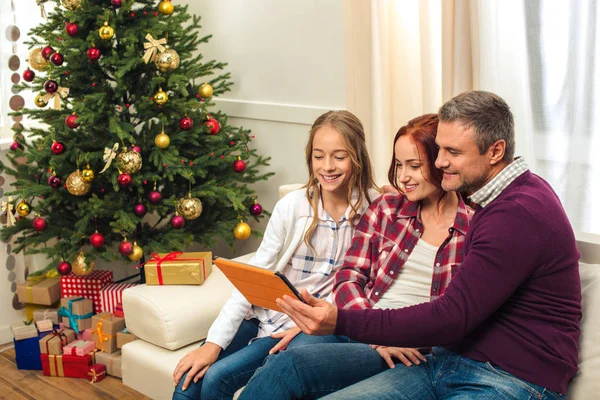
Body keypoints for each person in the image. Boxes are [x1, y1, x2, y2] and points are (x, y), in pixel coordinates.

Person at [242, 91, 581, 400]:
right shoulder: (493, 200)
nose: (440, 162)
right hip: (447, 362)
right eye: (439, 150)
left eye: (453, 152)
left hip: (510, 380)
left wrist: (341, 321)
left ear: (496, 151)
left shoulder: (517, 213)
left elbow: (452, 316)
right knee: (294, 367)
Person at [239, 113, 474, 399]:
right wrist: (376, 332)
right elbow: (349, 276)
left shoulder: (475, 228)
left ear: (441, 163)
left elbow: (457, 316)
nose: (402, 177)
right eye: (399, 165)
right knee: (286, 364)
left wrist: (394, 337)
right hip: (361, 328)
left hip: (412, 349)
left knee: (295, 367)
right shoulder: (387, 209)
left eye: (414, 166)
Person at [172, 110, 378, 399]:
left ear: (357, 156)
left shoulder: (376, 210)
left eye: (339, 156)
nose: (327, 166)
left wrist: (306, 325)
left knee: (223, 378)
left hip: (315, 325)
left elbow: (366, 282)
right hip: (268, 316)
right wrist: (212, 343)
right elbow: (254, 278)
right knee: (191, 379)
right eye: (319, 156)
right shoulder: (292, 207)